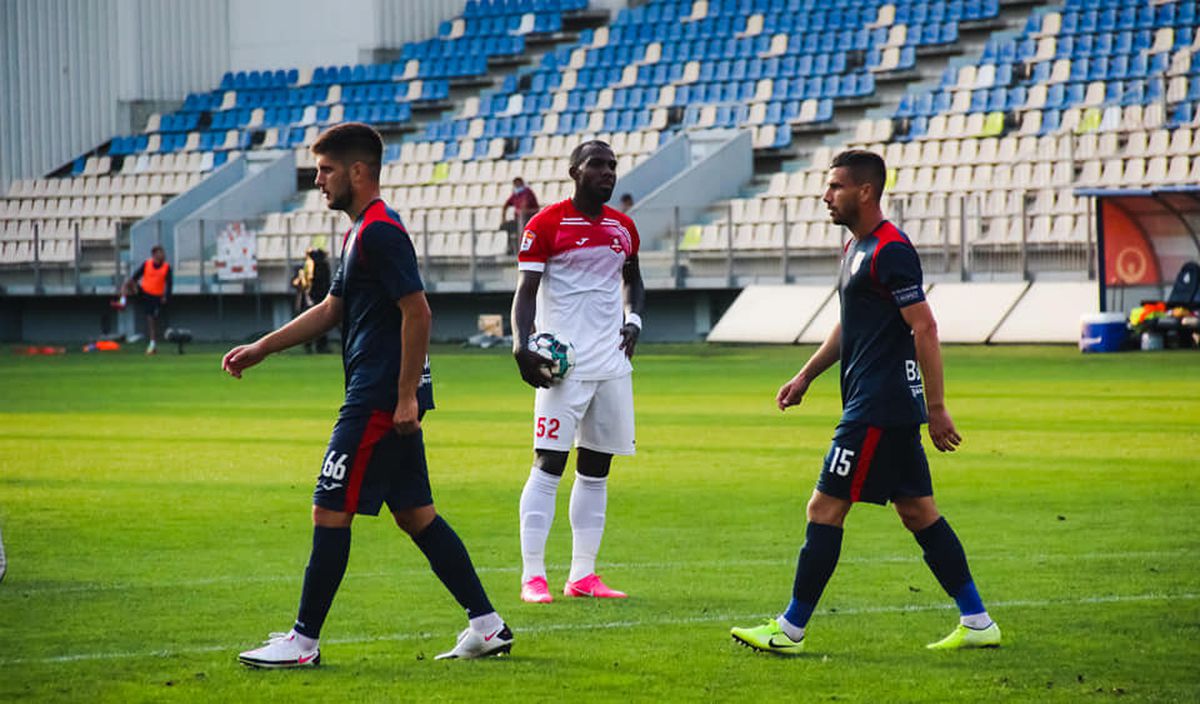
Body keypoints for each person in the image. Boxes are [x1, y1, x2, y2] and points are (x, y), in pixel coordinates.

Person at [223, 122, 511, 668]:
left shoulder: (380, 231)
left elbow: (418, 311)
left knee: (329, 507)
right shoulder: (358, 233)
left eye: (326, 171)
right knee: (416, 514)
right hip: (382, 391)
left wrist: (405, 395)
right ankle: (488, 626)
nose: (318, 181)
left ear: (358, 172)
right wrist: (263, 347)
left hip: (377, 395)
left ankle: (302, 641)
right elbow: (332, 310)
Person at [730, 150, 1000, 654]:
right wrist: (806, 374)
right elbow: (848, 324)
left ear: (865, 191)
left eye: (835, 186)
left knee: (824, 508)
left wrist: (936, 407)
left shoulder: (891, 250)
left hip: (877, 407)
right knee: (919, 513)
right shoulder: (857, 247)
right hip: (880, 406)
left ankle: (789, 630)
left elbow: (924, 326)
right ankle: (978, 620)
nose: (825, 196)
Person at [511, 140, 645, 604]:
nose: (607, 173)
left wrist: (634, 319)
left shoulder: (623, 227)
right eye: (597, 165)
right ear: (574, 172)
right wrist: (520, 344)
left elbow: (634, 279)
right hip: (562, 367)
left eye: (612, 166)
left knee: (596, 470)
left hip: (612, 365)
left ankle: (583, 575)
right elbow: (525, 291)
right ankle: (533, 576)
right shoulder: (546, 223)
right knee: (548, 465)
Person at [125, 245, 172, 355]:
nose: (163, 255)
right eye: (161, 253)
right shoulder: (147, 264)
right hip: (145, 294)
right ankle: (152, 343)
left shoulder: (166, 267)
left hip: (157, 296)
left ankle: (152, 343)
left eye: (163, 253)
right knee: (128, 283)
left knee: (152, 319)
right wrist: (131, 287)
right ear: (155, 254)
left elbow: (169, 284)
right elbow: (135, 276)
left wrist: (166, 296)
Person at [291, 248, 332, 354]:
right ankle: (313, 346)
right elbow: (297, 282)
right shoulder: (307, 267)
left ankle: (318, 346)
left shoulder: (321, 267)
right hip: (311, 298)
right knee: (313, 324)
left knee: (318, 324)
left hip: (317, 298)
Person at [501, 177, 540, 254]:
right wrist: (503, 217)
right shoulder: (515, 194)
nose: (517, 186)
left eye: (518, 184)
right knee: (508, 227)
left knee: (522, 218)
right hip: (519, 219)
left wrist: (520, 211)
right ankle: (511, 248)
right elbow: (506, 205)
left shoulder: (527, 192)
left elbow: (524, 207)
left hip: (529, 217)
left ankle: (523, 248)